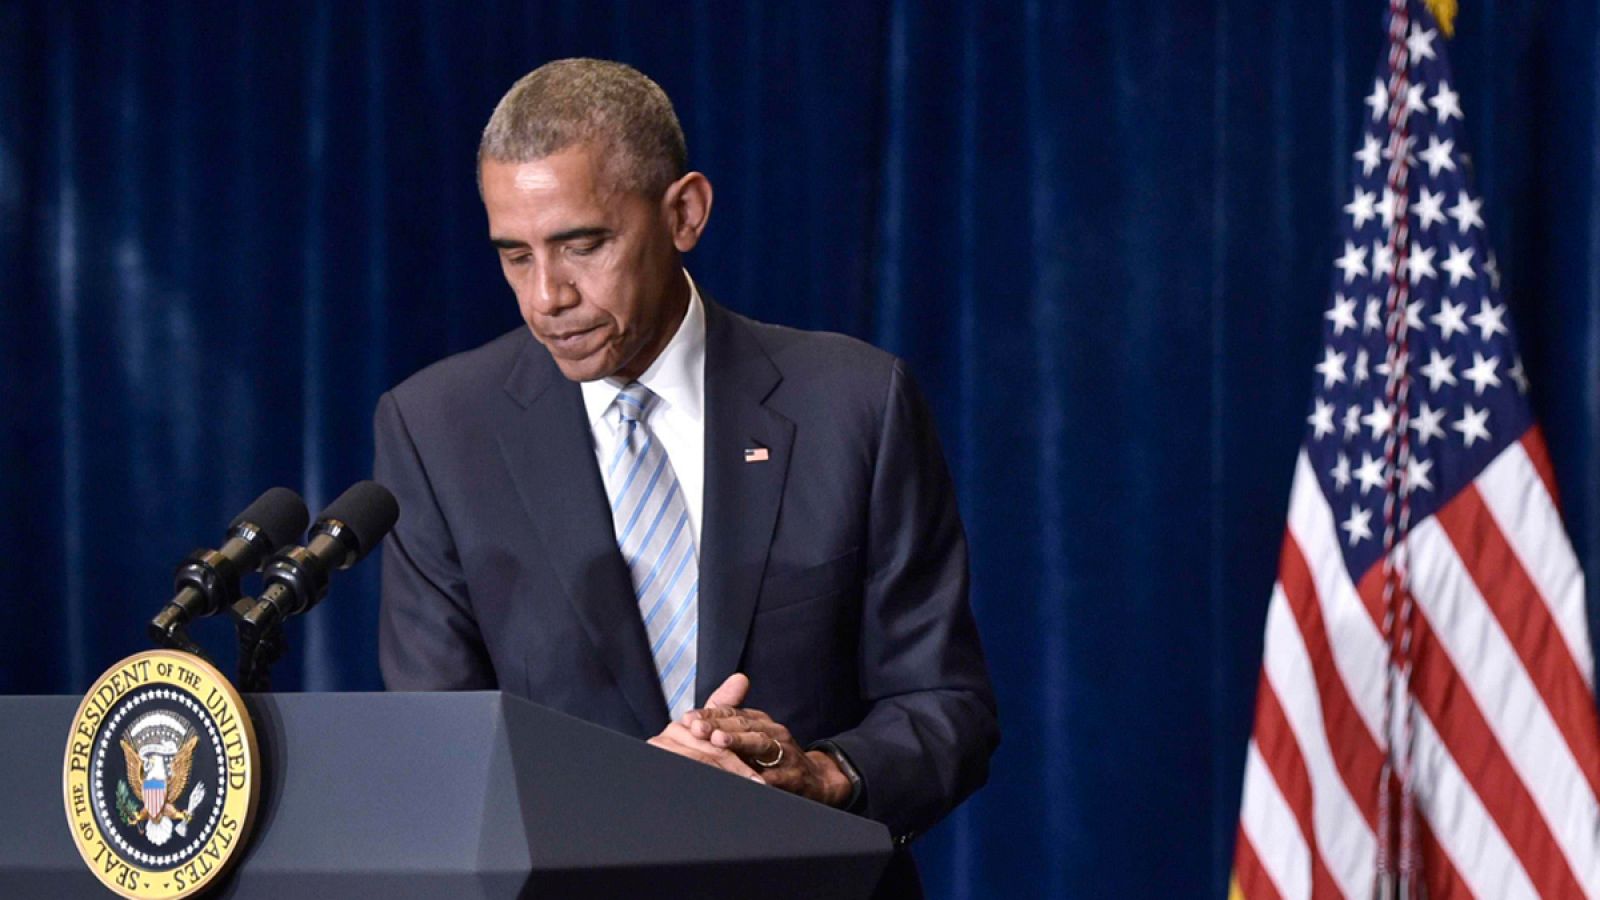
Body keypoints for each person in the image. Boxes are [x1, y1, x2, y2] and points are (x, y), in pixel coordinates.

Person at [374, 58, 997, 897]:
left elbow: (945, 706)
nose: (545, 296)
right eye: (514, 256)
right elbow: (441, 761)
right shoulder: (438, 430)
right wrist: (634, 800)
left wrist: (823, 774)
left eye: (582, 244)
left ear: (684, 213)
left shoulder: (854, 404)